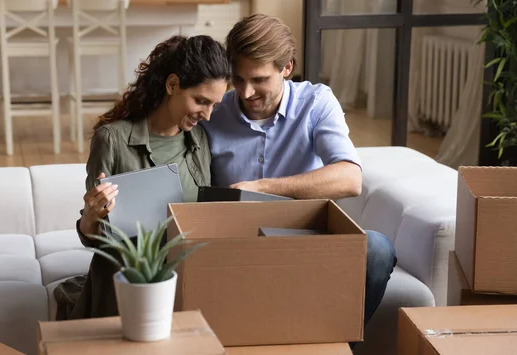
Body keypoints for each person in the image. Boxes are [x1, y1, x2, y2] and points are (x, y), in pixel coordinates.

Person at [200, 14, 396, 329]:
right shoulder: (214, 111)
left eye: (260, 79)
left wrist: (263, 188)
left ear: (287, 68)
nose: (246, 93)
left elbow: (350, 178)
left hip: (305, 240)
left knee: (377, 249)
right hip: (235, 246)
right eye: (238, 79)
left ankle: (333, 354)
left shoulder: (316, 103)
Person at [54, 35, 231, 320]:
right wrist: (91, 216)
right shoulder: (112, 140)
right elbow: (98, 238)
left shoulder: (199, 139)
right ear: (172, 85)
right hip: (126, 281)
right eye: (200, 101)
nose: (208, 115)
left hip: (185, 279)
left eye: (214, 105)